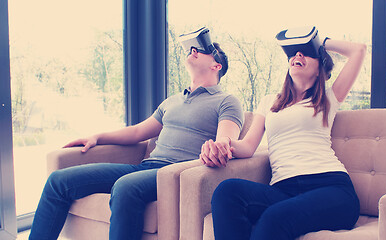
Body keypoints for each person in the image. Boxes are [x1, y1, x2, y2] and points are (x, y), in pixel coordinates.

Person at [29, 27, 244, 240]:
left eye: (200, 51)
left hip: (175, 174)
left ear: (217, 65)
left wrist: (221, 146)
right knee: (58, 181)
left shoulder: (226, 101)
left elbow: (225, 141)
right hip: (145, 167)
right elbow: (138, 131)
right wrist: (97, 137)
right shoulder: (172, 102)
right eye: (191, 50)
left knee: (125, 186)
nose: (192, 51)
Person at [199, 26, 367, 240]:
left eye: (306, 52)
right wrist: (222, 143)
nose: (298, 54)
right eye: (295, 51)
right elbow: (248, 146)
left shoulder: (328, 97)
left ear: (320, 70)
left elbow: (359, 50)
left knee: (273, 218)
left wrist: (317, 41)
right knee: (227, 192)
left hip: (331, 188)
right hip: (283, 190)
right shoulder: (269, 102)